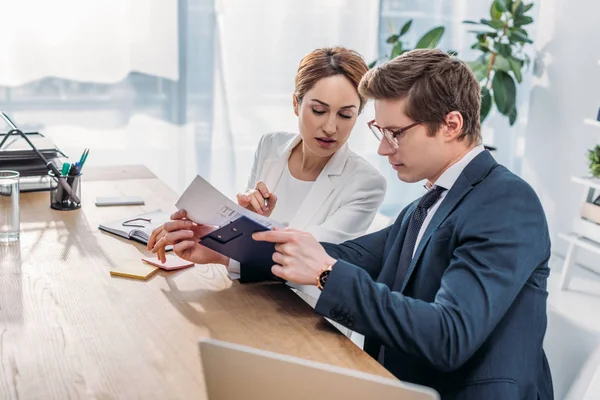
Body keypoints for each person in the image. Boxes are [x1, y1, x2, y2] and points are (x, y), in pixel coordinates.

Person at [151, 49, 553, 399]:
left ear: (451, 125)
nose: (382, 148)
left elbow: (448, 335)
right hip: (396, 382)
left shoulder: (505, 201)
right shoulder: (430, 202)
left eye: (395, 134)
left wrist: (326, 273)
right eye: (380, 132)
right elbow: (349, 257)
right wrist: (225, 248)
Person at [148, 47, 386, 342]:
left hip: (310, 324)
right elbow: (251, 238)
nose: (330, 127)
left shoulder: (366, 183)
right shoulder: (271, 146)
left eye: (345, 115)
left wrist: (224, 253)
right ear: (296, 104)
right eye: (319, 110)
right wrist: (224, 228)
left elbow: (312, 261)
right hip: (251, 301)